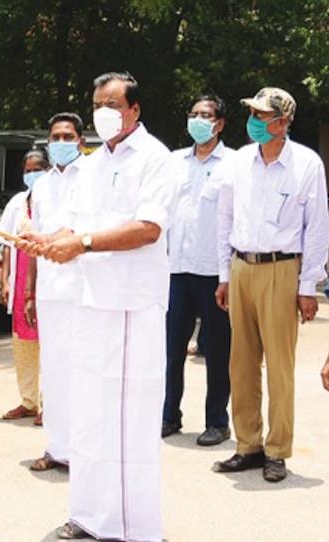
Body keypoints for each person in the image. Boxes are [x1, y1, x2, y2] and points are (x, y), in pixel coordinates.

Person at [20, 72, 174, 541]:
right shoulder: (88, 165)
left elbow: (148, 228)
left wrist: (81, 243)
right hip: (87, 302)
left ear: (134, 110)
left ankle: (131, 526)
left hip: (129, 305)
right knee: (89, 413)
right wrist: (44, 240)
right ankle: (89, 515)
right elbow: (71, 228)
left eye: (111, 103)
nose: (102, 112)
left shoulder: (155, 158)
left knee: (126, 418)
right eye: (96, 104)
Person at [213, 87, 329, 483]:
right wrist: (224, 274)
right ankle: (248, 444)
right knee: (241, 363)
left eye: (262, 116)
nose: (254, 122)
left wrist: (308, 284)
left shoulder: (306, 164)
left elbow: (317, 228)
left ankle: (278, 450)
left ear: (283, 122)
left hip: (282, 270)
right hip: (241, 264)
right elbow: (224, 218)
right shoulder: (240, 161)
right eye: (253, 114)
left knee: (280, 366)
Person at [162, 94, 235, 446]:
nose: (198, 120)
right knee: (171, 349)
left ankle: (217, 421)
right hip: (177, 268)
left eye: (205, 115)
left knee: (218, 351)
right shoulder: (174, 162)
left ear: (220, 123)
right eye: (193, 114)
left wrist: (229, 275)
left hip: (215, 271)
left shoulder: (234, 164)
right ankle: (168, 415)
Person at [26, 113, 87, 471]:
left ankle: (82, 450)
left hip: (82, 285)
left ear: (80, 140)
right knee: (54, 367)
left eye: (67, 136)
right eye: (55, 137)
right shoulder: (41, 186)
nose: (60, 143)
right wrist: (31, 292)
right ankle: (56, 447)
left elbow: (84, 226)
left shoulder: (93, 176)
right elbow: (34, 239)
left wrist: (51, 240)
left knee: (82, 369)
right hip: (50, 288)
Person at [0, 149, 49, 423]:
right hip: (20, 281)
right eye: (28, 170)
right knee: (23, 344)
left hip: (46, 278)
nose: (32, 174)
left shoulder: (54, 196)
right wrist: (5, 279)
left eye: (38, 168)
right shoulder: (17, 202)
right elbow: (6, 243)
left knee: (48, 342)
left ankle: (48, 403)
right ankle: (28, 401)